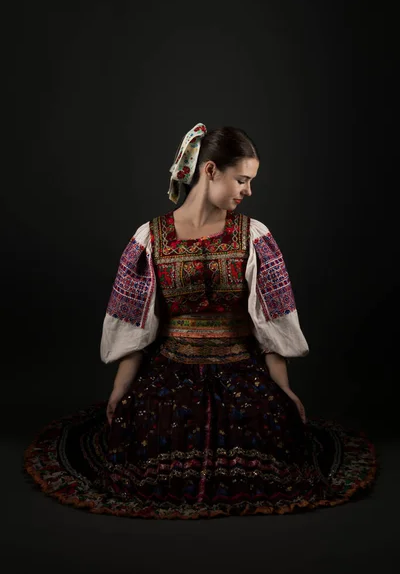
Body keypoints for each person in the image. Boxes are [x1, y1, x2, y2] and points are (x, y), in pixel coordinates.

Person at [24, 122, 377, 519]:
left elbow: (271, 321)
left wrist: (284, 390)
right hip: (173, 367)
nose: (248, 191)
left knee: (270, 423)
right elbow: (136, 323)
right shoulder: (150, 237)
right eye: (242, 179)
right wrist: (119, 391)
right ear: (210, 171)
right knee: (154, 424)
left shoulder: (254, 235)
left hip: (240, 367)